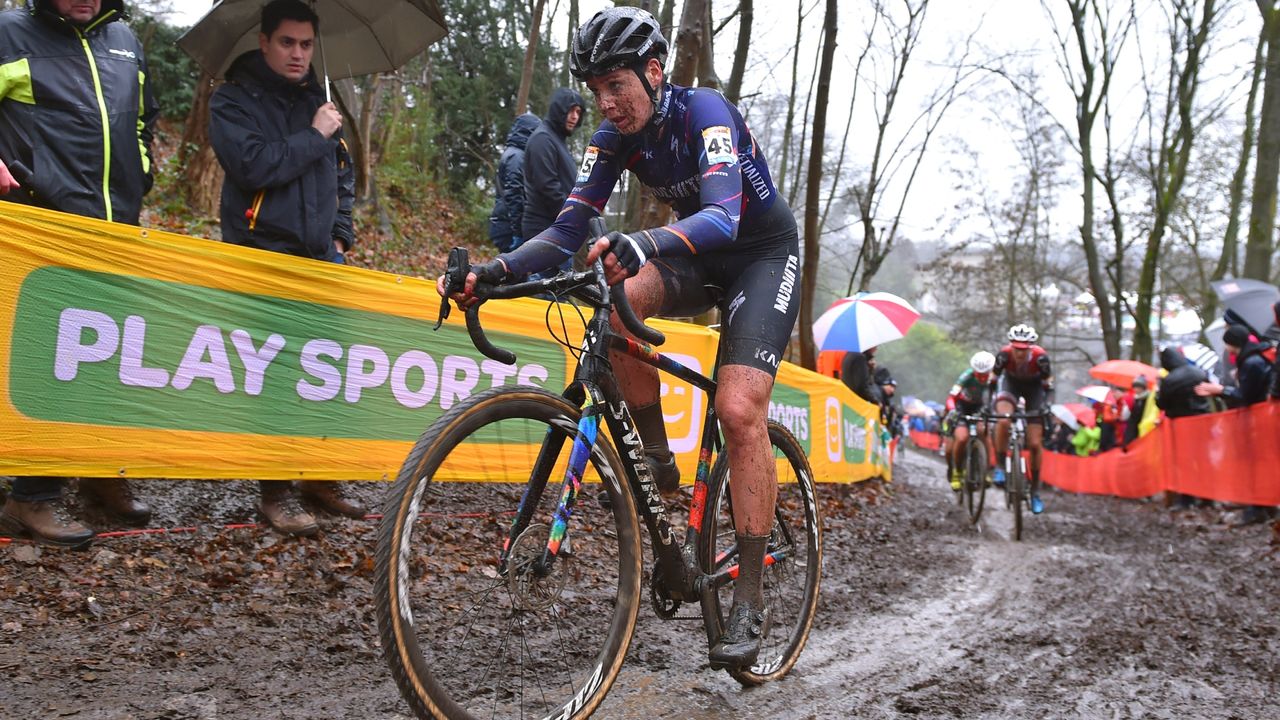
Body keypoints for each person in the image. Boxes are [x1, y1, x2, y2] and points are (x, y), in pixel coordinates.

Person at [440, 6, 798, 670]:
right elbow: (565, 230)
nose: (607, 103)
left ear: (654, 72)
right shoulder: (612, 138)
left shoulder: (706, 114)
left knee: (738, 408)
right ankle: (659, 463)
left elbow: (724, 214)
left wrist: (643, 240)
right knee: (614, 303)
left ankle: (748, 599)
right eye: (597, 90)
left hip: (760, 253)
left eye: (617, 86)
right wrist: (497, 270)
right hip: (697, 249)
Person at [0, 0, 158, 548]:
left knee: (102, 355)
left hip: (115, 226)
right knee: (45, 361)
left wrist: (141, 171)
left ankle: (98, 472)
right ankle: (32, 496)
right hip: (40, 225)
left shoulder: (126, 41)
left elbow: (142, 117)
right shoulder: (8, 31)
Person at [209, 0, 365, 536]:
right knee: (273, 373)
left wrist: (341, 236)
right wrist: (315, 134)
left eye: (305, 44)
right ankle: (275, 491)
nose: (298, 54)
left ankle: (320, 476)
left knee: (326, 366)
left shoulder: (319, 101)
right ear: (264, 42)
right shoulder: (232, 100)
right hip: (264, 256)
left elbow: (342, 174)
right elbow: (253, 165)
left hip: (321, 259)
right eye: (287, 43)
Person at [1193, 324, 1276, 525]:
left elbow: (1245, 396)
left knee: (1253, 464)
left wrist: (1220, 390)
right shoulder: (1256, 358)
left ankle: (1256, 507)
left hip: (1256, 423)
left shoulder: (1251, 362)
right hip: (1261, 421)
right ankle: (1264, 506)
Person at [989, 324, 1052, 514]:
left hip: (1035, 389)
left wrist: (1046, 406)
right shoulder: (1004, 355)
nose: (1018, 353)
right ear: (1011, 346)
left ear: (1031, 347)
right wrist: (988, 404)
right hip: (1011, 385)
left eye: (1023, 349)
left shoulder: (1041, 358)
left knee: (1034, 444)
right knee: (1004, 419)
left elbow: (1048, 384)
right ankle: (1000, 466)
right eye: (1016, 348)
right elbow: (993, 381)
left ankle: (1034, 492)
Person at [520, 87, 585, 256]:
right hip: (543, 230)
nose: (574, 116)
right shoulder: (543, 139)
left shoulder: (556, 140)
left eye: (578, 112)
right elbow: (547, 185)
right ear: (558, 109)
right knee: (544, 281)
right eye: (570, 110)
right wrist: (571, 217)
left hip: (558, 229)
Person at [487, 112, 540, 253]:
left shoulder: (514, 154)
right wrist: (518, 231)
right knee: (512, 271)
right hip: (509, 228)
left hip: (505, 224)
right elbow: (514, 194)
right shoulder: (516, 157)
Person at [944, 351, 995, 491]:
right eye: (978, 374)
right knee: (961, 438)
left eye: (985, 374)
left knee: (984, 433)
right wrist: (952, 409)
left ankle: (985, 470)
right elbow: (951, 397)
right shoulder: (966, 376)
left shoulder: (995, 379)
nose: (981, 378)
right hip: (962, 407)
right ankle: (957, 472)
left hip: (980, 408)